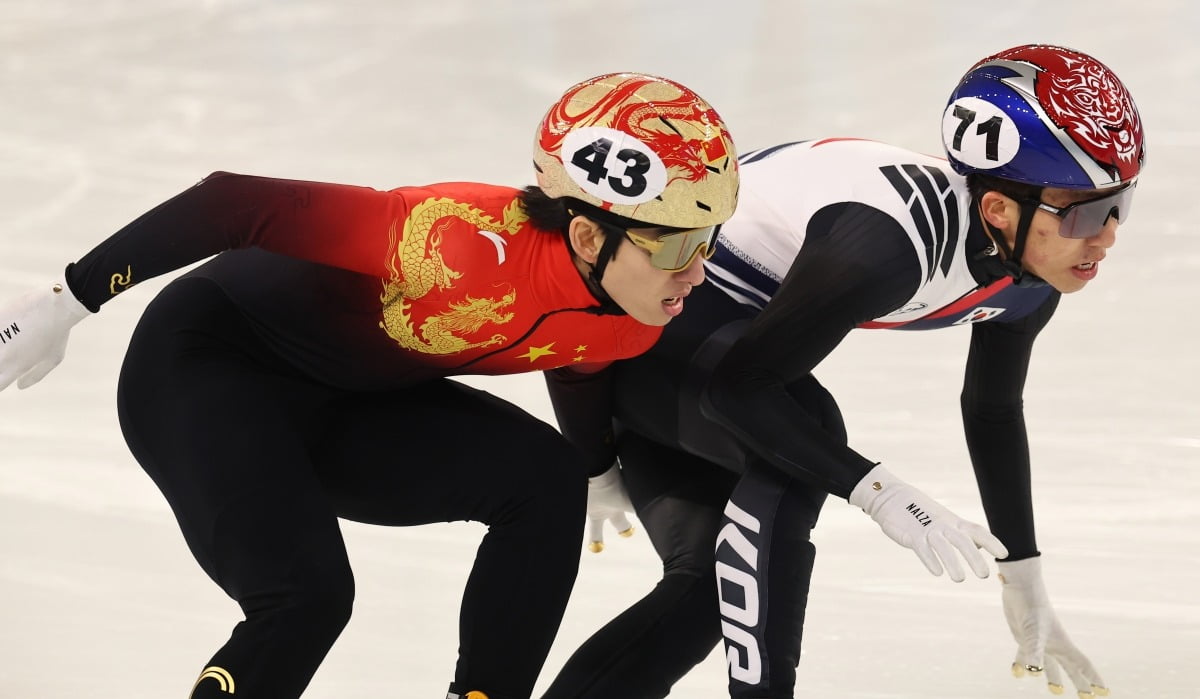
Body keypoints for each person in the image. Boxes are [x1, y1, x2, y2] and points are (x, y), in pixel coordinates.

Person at [0, 72, 739, 699]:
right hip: (208, 368)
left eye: (708, 241)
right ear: (586, 235)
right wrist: (67, 301)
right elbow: (231, 203)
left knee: (545, 478)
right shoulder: (454, 238)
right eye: (677, 244)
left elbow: (576, 357)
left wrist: (596, 468)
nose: (697, 270)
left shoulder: (638, 312)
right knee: (304, 599)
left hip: (349, 404)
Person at [541, 44, 1142, 699]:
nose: (1108, 235)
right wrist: (876, 490)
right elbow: (739, 390)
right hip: (649, 349)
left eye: (1121, 205)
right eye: (1087, 212)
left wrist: (1023, 579)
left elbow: (993, 408)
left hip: (705, 367)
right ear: (999, 209)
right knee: (807, 428)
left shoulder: (1034, 273)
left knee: (702, 600)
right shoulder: (885, 244)